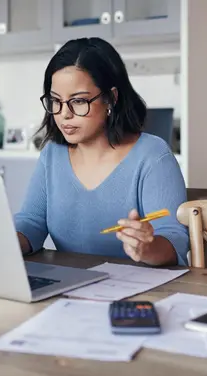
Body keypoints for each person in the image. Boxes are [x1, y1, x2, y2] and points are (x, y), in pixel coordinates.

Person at [14, 37, 189, 267]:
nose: (64, 114)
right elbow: (31, 222)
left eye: (78, 101)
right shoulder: (52, 155)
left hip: (139, 294)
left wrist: (148, 247)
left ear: (110, 98)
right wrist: (3, 241)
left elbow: (174, 239)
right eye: (55, 101)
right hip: (70, 289)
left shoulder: (152, 156)